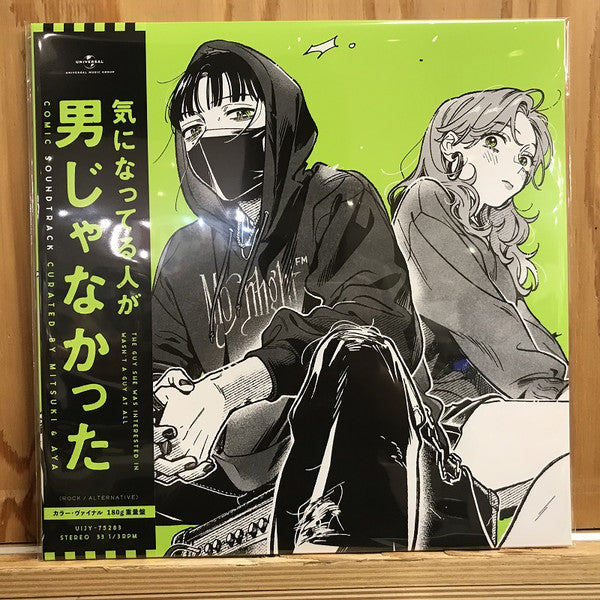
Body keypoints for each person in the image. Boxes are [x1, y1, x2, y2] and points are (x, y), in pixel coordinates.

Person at [151, 40, 427, 534]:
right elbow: (158, 354)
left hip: (334, 448)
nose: (217, 140)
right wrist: (166, 398)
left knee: (357, 355)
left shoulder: (337, 199)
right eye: (195, 130)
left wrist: (234, 387)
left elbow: (377, 318)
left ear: (280, 118)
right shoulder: (184, 251)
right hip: (218, 470)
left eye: (239, 113)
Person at [390, 88, 568, 429]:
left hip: (495, 403)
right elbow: (473, 311)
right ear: (451, 145)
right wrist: (545, 387)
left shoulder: (481, 233)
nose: (514, 166)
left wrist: (565, 380)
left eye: (524, 158)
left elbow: (521, 320)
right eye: (493, 142)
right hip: (445, 411)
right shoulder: (425, 200)